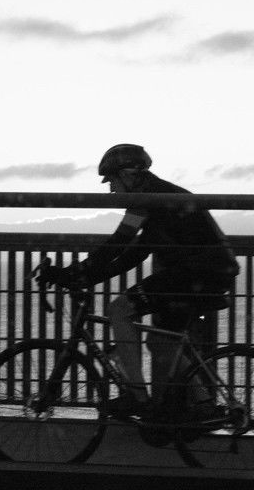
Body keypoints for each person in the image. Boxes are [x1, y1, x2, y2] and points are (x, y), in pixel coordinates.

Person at [34, 143, 238, 423]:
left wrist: (74, 274)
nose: (111, 190)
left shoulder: (147, 198)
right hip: (203, 274)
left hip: (193, 275)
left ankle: (137, 396)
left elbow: (118, 243)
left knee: (119, 310)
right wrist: (79, 275)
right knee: (160, 343)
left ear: (129, 174)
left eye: (112, 181)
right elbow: (130, 254)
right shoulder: (158, 196)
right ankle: (203, 404)